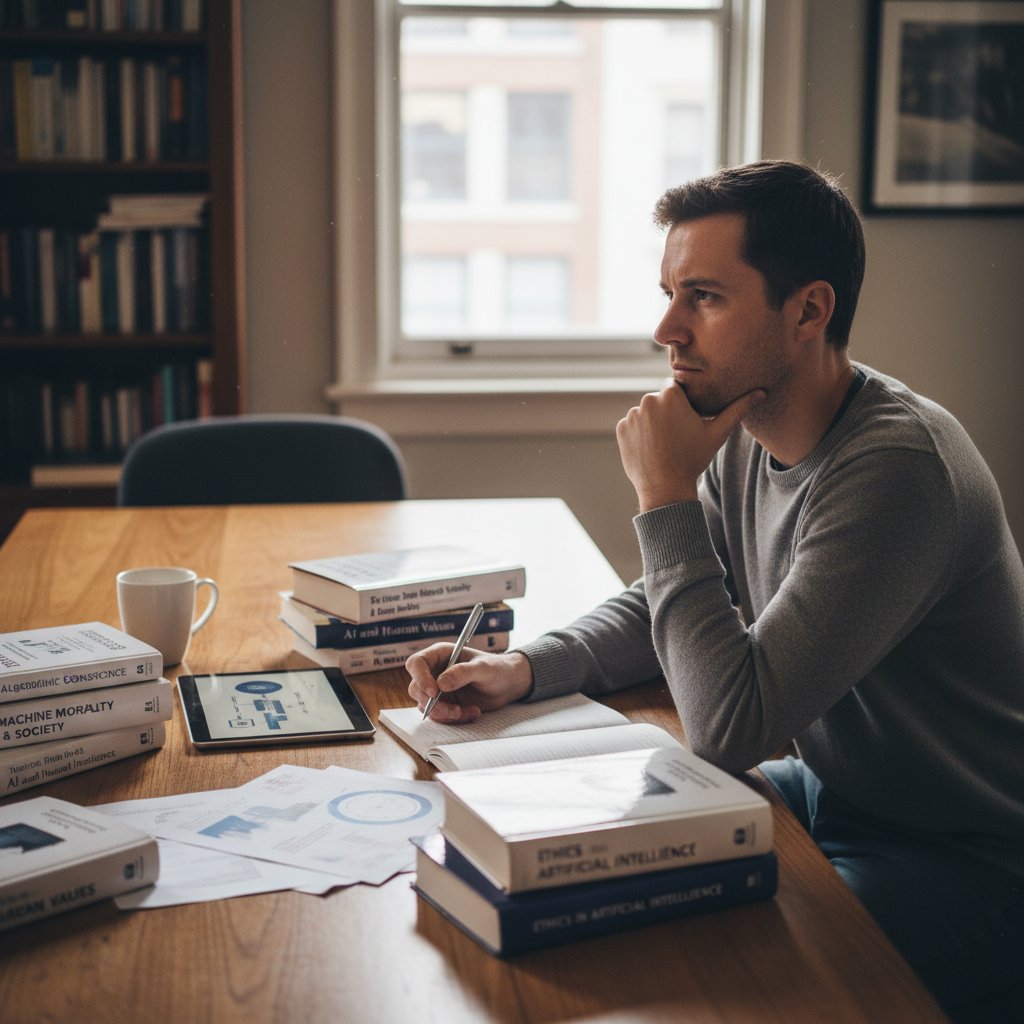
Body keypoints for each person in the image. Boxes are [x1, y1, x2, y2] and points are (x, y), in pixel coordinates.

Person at [405, 160, 1024, 1023]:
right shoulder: (743, 422)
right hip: (839, 793)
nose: (667, 329)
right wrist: (527, 668)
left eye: (705, 297)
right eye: (669, 293)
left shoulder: (896, 471)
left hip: (965, 855)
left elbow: (730, 728)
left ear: (809, 310)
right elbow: (668, 595)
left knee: (700, 974)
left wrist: (661, 496)